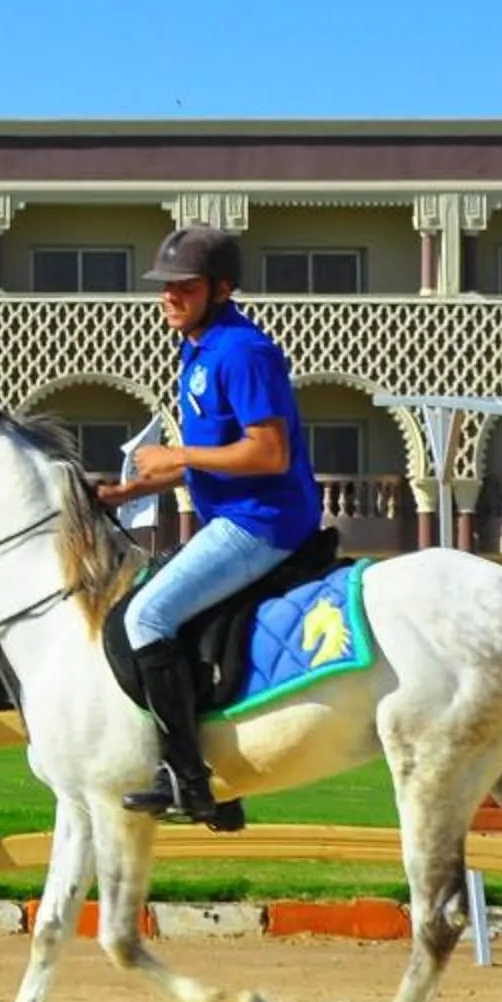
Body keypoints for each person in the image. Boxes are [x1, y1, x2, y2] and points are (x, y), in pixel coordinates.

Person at [93, 224, 322, 829]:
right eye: (164, 288)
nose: (169, 298)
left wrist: (178, 457)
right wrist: (136, 488)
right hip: (235, 515)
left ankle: (189, 780)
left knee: (146, 618)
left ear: (221, 288)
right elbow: (220, 453)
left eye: (184, 288)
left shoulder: (242, 352)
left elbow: (268, 454)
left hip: (263, 523)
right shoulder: (198, 347)